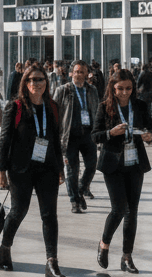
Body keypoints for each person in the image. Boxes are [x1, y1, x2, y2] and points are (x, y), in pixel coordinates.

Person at [0, 63, 65, 277]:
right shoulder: (15, 107)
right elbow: (5, 140)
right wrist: (1, 171)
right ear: (24, 83)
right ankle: (5, 247)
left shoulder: (52, 107)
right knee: (18, 211)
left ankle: (51, 261)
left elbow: (54, 140)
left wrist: (60, 168)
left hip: (47, 168)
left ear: (46, 82)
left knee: (49, 214)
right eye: (31, 80)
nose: (35, 83)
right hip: (21, 168)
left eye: (39, 79)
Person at [93, 68, 152, 274]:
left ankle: (127, 257)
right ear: (112, 88)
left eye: (128, 88)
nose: (124, 92)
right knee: (119, 208)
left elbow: (151, 130)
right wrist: (110, 133)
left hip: (135, 163)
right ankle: (104, 243)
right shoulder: (104, 107)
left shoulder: (139, 106)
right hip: (113, 164)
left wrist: (150, 136)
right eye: (120, 88)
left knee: (132, 212)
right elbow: (95, 136)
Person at [52, 59, 100, 214]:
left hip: (88, 134)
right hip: (69, 136)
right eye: (76, 71)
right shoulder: (63, 90)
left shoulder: (92, 90)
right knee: (72, 170)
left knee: (92, 165)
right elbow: (53, 112)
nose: (79, 75)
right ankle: (74, 201)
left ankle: (81, 189)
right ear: (71, 72)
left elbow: (97, 112)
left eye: (82, 72)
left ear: (87, 73)